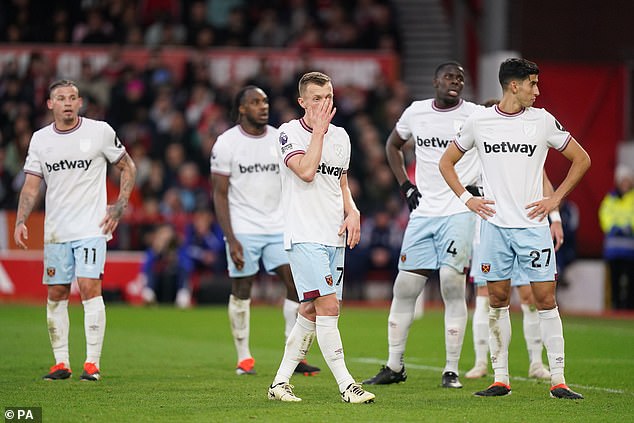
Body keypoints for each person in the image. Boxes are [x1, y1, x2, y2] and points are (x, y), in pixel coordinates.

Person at [439, 58, 591, 399]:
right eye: (532, 84)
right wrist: (468, 199)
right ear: (513, 86)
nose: (537, 91)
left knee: (545, 299)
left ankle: (559, 380)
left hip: (532, 228)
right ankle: (501, 378)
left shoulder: (542, 121)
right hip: (494, 228)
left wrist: (555, 202)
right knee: (496, 299)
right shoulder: (479, 121)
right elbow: (446, 163)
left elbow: (582, 159)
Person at [363, 62, 482, 389]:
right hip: (423, 213)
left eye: (460, 77)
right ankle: (394, 365)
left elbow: (492, 150)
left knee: (450, 283)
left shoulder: (474, 114)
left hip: (458, 211)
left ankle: (451, 369)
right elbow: (392, 146)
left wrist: (480, 185)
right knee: (405, 288)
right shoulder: (416, 112)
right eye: (449, 77)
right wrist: (405, 185)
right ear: (435, 82)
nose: (455, 82)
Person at [14, 79, 137, 381]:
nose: (67, 102)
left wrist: (119, 205)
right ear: (50, 104)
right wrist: (20, 220)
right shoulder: (41, 140)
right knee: (56, 292)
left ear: (80, 102)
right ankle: (61, 363)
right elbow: (31, 186)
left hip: (91, 227)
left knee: (88, 286)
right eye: (60, 98)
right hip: (57, 230)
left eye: (72, 97)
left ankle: (92, 364)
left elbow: (128, 167)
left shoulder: (99, 132)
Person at [267, 71, 375, 403]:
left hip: (333, 235)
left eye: (328, 97)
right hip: (304, 234)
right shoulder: (289, 133)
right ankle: (347, 386)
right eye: (316, 99)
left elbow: (339, 183)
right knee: (328, 306)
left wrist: (353, 210)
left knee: (312, 311)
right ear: (302, 102)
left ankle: (279, 384)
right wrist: (317, 132)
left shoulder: (342, 136)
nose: (324, 104)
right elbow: (306, 170)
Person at [210, 85, 320, 376]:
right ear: (242, 109)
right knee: (243, 288)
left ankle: (293, 353)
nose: (263, 106)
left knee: (296, 285)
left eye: (266, 101)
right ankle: (244, 357)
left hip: (279, 226)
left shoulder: (280, 137)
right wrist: (230, 238)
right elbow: (219, 194)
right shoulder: (226, 143)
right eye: (256, 102)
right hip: (244, 228)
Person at [466, 171, 564, 380]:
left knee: (529, 296)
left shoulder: (528, 141)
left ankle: (536, 363)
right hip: (490, 228)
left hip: (526, 227)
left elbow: (543, 179)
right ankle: (481, 361)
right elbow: (458, 174)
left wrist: (555, 217)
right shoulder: (479, 141)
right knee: (486, 296)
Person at [598, 163, 634, 310]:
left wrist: (629, 227)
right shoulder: (610, 199)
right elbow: (604, 215)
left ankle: (629, 309)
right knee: (614, 282)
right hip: (613, 250)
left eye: (627, 180)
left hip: (630, 251)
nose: (625, 184)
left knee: (631, 282)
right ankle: (615, 309)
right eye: (622, 180)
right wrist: (612, 227)